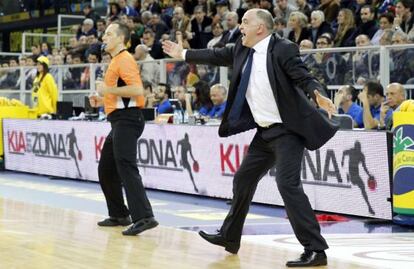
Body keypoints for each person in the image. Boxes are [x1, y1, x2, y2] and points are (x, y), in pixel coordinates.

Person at [163, 8, 338, 267]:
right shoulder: (241, 49)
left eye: (245, 21)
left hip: (289, 130)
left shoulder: (283, 48)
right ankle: (230, 236)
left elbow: (303, 76)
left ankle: (315, 250)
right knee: (243, 179)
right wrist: (183, 54)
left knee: (287, 185)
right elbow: (214, 55)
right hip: (265, 131)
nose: (240, 26)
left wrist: (318, 94)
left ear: (261, 28)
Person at [89, 21, 158, 236]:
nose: (104, 37)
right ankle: (119, 214)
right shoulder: (115, 61)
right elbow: (120, 95)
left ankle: (145, 216)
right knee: (107, 169)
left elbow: (138, 90)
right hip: (119, 118)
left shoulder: (125, 59)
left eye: (109, 34)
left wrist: (106, 89)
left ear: (121, 38)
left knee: (125, 166)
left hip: (128, 120)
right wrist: (102, 101)